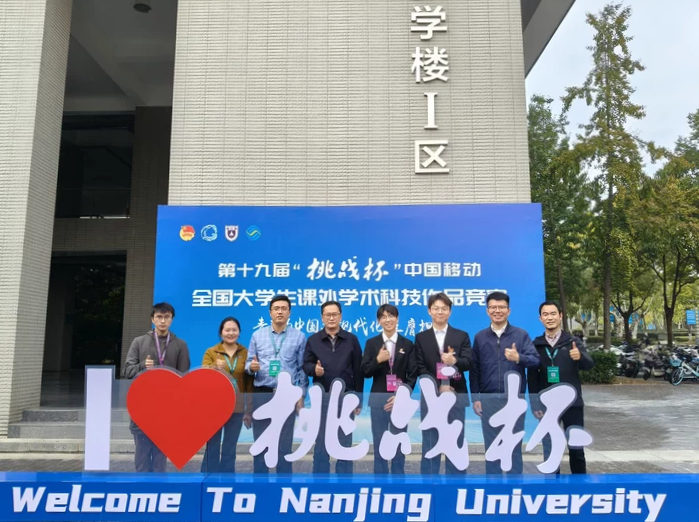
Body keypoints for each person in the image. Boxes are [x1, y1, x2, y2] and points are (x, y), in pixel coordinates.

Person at [470, 291, 539, 475]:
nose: (497, 311)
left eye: (501, 307)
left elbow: (535, 361)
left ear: (509, 310)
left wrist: (519, 358)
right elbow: (475, 370)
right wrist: (476, 398)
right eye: (493, 307)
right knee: (491, 447)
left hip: (514, 401)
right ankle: (494, 487)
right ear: (487, 311)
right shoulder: (480, 337)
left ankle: (514, 487)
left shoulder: (521, 335)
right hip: (489, 400)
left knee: (513, 446)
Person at [528, 301, 594, 474]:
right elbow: (532, 378)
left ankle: (579, 484)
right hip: (546, 406)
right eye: (545, 314)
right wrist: (535, 404)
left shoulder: (573, 342)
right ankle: (552, 485)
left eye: (553, 313)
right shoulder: (536, 345)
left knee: (576, 448)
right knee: (550, 448)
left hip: (573, 404)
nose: (549, 317)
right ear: (540, 318)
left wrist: (580, 357)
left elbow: (589, 365)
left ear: (560, 315)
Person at [124, 302, 191, 472]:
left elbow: (184, 378)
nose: (163, 321)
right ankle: (142, 487)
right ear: (152, 319)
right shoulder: (139, 342)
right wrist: (142, 366)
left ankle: (158, 487)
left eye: (166, 317)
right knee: (142, 458)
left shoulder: (180, 345)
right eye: (159, 317)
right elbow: (127, 371)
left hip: (167, 409)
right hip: (142, 407)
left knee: (160, 460)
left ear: (172, 319)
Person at [245, 295, 307, 474]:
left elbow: (301, 369)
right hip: (262, 393)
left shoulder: (299, 336)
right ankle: (260, 481)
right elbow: (248, 364)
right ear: (270, 312)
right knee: (261, 440)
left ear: (289, 312)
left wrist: (301, 395)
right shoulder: (257, 335)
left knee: (284, 442)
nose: (280, 312)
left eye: (284, 308)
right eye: (276, 308)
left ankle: (284, 481)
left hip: (286, 396)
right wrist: (251, 367)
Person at [414, 292, 472, 475]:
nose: (440, 312)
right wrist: (438, 386)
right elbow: (419, 368)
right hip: (431, 399)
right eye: (436, 308)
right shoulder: (421, 337)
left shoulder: (461, 336)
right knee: (430, 442)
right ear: (429, 311)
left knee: (455, 441)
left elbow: (469, 362)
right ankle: (428, 484)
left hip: (456, 396)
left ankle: (456, 485)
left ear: (450, 311)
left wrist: (455, 361)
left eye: (444, 309)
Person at [303, 301, 363, 474]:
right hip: (322, 399)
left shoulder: (351, 339)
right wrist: (314, 369)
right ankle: (320, 478)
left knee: (345, 440)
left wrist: (358, 399)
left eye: (334, 314)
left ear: (340, 316)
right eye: (327, 315)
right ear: (322, 317)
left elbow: (358, 370)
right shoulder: (313, 340)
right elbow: (305, 364)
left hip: (346, 399)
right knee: (321, 441)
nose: (331, 318)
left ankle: (344, 479)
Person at [361, 304, 417, 474]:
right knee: (380, 441)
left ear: (397, 319)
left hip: (400, 402)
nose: (388, 320)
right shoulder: (372, 343)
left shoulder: (407, 344)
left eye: (391, 316)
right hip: (378, 401)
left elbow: (412, 374)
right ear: (379, 321)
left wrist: (402, 396)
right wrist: (378, 360)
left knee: (398, 442)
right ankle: (381, 478)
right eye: (383, 317)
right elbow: (365, 372)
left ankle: (398, 479)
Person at [200, 317, 253, 472]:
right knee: (212, 445)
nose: (231, 333)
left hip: (237, 408)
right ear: (221, 332)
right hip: (214, 408)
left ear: (239, 332)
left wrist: (249, 410)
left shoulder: (246, 353)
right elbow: (203, 375)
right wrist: (214, 366)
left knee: (230, 447)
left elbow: (249, 384)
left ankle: (227, 479)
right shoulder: (211, 352)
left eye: (234, 330)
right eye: (227, 330)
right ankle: (208, 478)